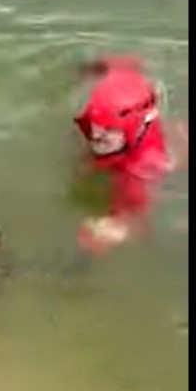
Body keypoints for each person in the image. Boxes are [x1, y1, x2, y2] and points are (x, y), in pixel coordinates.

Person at [72, 55, 183, 253]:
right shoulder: (119, 90)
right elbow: (121, 66)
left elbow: (140, 221)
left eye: (107, 130)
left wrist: (117, 227)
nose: (95, 134)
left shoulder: (145, 165)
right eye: (93, 125)